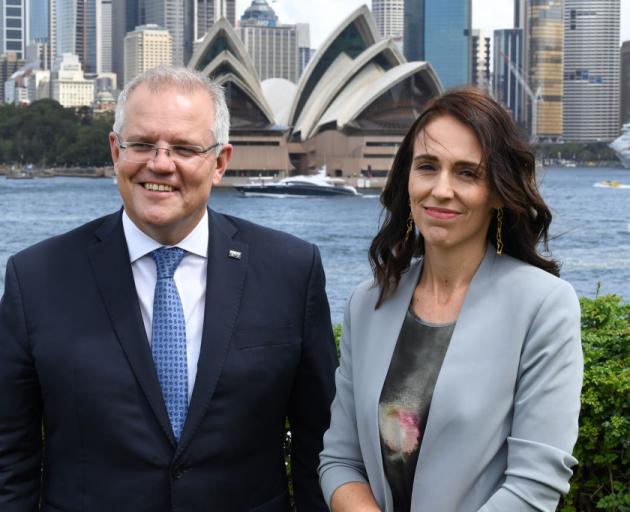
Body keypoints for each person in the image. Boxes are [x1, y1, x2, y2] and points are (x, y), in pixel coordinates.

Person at [0, 65, 337, 511]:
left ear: (219, 162)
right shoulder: (37, 277)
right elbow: (9, 451)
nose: (160, 163)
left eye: (183, 147)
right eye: (142, 144)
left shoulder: (291, 271)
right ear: (116, 151)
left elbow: (322, 441)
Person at [318, 89, 583, 512]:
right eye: (427, 167)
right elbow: (340, 460)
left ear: (497, 191)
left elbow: (535, 486)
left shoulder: (544, 306)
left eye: (466, 173)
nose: (441, 190)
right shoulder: (367, 304)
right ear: (408, 180)